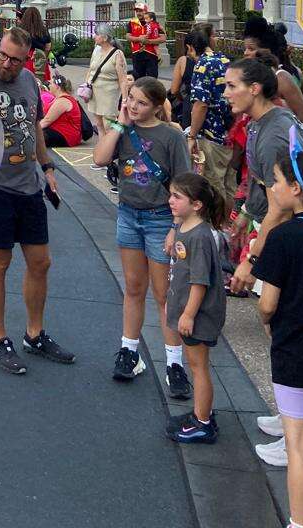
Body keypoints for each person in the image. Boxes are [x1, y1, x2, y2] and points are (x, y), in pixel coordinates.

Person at [0, 27, 75, 374]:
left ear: (27, 60)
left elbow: (36, 127)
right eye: (3, 56)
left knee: (41, 262)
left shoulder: (28, 81)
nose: (7, 65)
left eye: (16, 60)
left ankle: (34, 334)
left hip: (28, 184)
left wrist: (48, 166)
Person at [93, 77, 193, 397]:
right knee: (134, 287)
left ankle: (174, 363)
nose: (133, 107)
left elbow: (183, 184)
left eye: (141, 103)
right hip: (128, 215)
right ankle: (129, 351)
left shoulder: (170, 137)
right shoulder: (124, 129)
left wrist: (175, 227)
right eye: (131, 99)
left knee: (164, 294)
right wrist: (120, 125)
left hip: (159, 219)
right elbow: (99, 158)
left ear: (156, 107)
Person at [254, 149, 303, 527]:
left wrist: (264, 319)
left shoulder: (284, 237)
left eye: (278, 181)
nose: (273, 187)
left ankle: (299, 524)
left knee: (299, 448)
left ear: (296, 189)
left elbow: (268, 303)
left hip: (294, 351)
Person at [165, 173, 228, 444]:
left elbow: (200, 281)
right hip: (187, 308)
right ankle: (201, 413)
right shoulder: (184, 227)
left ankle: (203, 422)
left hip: (198, 314)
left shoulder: (199, 237)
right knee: (196, 364)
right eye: (171, 195)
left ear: (197, 204)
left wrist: (188, 314)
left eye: (177, 197)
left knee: (198, 366)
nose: (170, 201)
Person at [228, 57, 297, 298]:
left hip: (284, 232)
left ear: (254, 89)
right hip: (272, 225)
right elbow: (261, 182)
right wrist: (247, 211)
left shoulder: (272, 137)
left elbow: (280, 210)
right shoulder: (262, 122)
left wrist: (252, 259)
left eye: (232, 86)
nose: (226, 93)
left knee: (271, 311)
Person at [187, 28, 234, 209]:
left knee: (214, 184)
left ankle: (218, 226)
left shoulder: (202, 66)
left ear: (191, 48)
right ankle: (231, 224)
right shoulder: (225, 60)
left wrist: (192, 135)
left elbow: (201, 104)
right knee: (230, 183)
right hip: (232, 131)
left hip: (212, 134)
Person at [84, 25, 129, 137]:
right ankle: (102, 148)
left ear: (104, 38)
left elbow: (123, 79)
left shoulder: (117, 54)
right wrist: (86, 86)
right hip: (94, 91)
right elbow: (91, 70)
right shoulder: (96, 51)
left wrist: (124, 100)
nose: (94, 36)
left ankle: (116, 147)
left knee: (109, 124)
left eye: (97, 34)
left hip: (109, 93)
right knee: (99, 123)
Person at [40, 74, 83, 148]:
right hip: (57, 131)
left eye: (51, 83)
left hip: (66, 135)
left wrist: (32, 130)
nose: (49, 86)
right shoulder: (57, 98)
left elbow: (47, 120)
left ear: (57, 86)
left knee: (35, 136)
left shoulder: (63, 101)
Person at [128, 3, 164, 79]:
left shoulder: (154, 23)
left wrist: (149, 41)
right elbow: (128, 37)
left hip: (151, 54)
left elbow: (163, 38)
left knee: (152, 78)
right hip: (137, 54)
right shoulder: (132, 22)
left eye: (140, 11)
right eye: (137, 11)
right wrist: (139, 39)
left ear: (146, 11)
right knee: (138, 79)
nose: (138, 13)